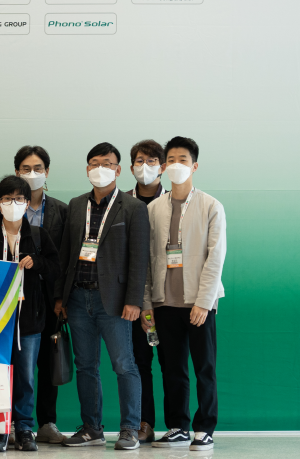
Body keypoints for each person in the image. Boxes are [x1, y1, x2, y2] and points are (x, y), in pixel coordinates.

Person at [54, 142, 149, 451]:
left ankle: (130, 428)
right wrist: (61, 298)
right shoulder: (76, 205)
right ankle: (91, 428)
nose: (100, 169)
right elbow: (66, 253)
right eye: (94, 163)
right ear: (87, 169)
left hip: (115, 302)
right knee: (85, 365)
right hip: (77, 299)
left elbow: (140, 258)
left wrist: (134, 300)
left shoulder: (133, 207)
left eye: (107, 164)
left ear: (118, 170)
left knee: (124, 364)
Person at [143, 137, 224, 452]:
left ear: (195, 165)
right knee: (173, 368)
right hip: (165, 303)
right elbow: (147, 259)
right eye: (172, 160)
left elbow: (216, 257)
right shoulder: (154, 208)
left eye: (183, 159)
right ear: (164, 167)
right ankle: (177, 426)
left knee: (204, 367)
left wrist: (204, 302)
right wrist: (148, 303)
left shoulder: (211, 206)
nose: (177, 165)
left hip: (198, 304)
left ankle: (205, 428)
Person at [0, 176, 61, 452]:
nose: (14, 203)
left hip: (29, 319)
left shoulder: (38, 235)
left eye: (20, 199)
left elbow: (55, 268)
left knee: (26, 376)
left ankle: (24, 428)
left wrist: (38, 262)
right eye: (8, 199)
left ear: (26, 202)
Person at [12, 146, 68, 447]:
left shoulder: (62, 209)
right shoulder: (7, 206)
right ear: (17, 172)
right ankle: (13, 424)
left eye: (37, 168)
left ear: (47, 172)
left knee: (48, 361)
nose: (31, 174)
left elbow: (66, 257)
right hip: (16, 299)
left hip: (51, 296)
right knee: (16, 363)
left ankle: (47, 423)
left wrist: (61, 297)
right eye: (25, 168)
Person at [124, 138, 165, 446]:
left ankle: (178, 425)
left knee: (172, 363)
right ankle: (144, 423)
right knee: (140, 362)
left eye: (152, 161)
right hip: (134, 300)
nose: (145, 166)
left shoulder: (175, 202)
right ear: (130, 167)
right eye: (140, 161)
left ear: (162, 167)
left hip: (169, 298)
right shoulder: (121, 202)